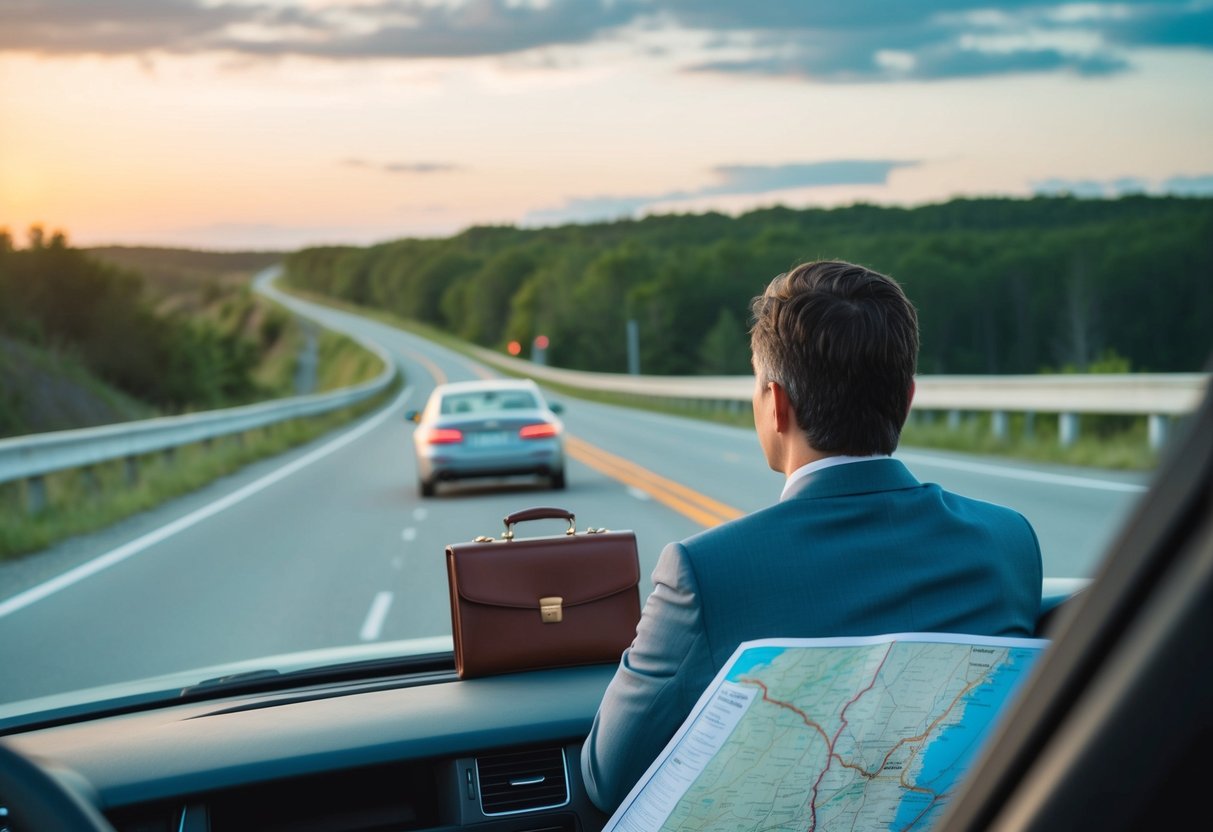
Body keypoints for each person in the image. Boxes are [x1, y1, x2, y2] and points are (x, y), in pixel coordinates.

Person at [580, 260, 1043, 812]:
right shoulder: (1009, 541)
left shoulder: (703, 573)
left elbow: (609, 779)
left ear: (777, 405)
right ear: (908, 397)